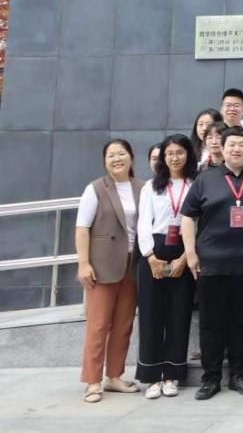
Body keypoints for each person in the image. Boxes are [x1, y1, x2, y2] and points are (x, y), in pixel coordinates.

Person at [182, 126, 243, 400]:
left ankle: (240, 375)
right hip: (211, 263)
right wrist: (190, 252)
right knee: (211, 324)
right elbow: (188, 216)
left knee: (241, 323)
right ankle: (210, 378)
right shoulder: (205, 179)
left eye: (242, 144)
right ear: (221, 147)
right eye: (231, 144)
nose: (236, 149)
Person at [76, 139, 144, 403]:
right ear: (105, 161)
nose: (117, 159)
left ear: (131, 157)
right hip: (102, 264)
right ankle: (93, 381)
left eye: (121, 154)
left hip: (133, 263)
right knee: (98, 324)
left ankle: (114, 376)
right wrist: (84, 263)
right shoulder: (95, 188)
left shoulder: (142, 187)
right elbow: (82, 228)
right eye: (111, 155)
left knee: (124, 324)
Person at [136, 134, 198, 399]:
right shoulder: (151, 187)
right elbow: (143, 224)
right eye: (169, 153)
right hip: (155, 249)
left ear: (188, 155)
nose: (175, 158)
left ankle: (172, 374)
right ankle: (152, 376)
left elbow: (199, 222)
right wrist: (150, 257)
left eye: (180, 152)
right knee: (151, 315)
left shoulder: (196, 183)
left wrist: (185, 257)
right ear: (163, 158)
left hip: (185, 249)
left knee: (178, 314)